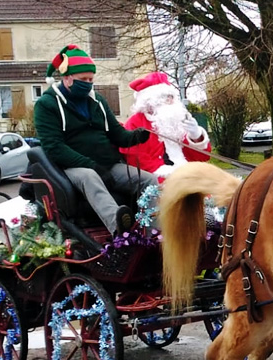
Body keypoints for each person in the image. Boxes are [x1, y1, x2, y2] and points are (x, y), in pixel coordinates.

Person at [33, 44, 155, 235]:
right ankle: (120, 229)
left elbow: (117, 134)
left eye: (91, 79)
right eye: (83, 79)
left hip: (108, 164)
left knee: (150, 180)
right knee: (90, 177)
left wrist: (135, 137)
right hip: (73, 168)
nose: (88, 83)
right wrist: (91, 165)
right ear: (67, 77)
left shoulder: (97, 101)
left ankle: (153, 231)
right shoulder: (46, 105)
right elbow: (54, 147)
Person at [120, 71, 211, 181]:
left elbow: (202, 158)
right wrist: (165, 172)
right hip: (157, 177)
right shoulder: (135, 123)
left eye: (171, 96)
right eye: (165, 97)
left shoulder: (178, 120)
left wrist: (195, 136)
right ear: (149, 101)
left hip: (187, 173)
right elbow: (136, 158)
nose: (170, 100)